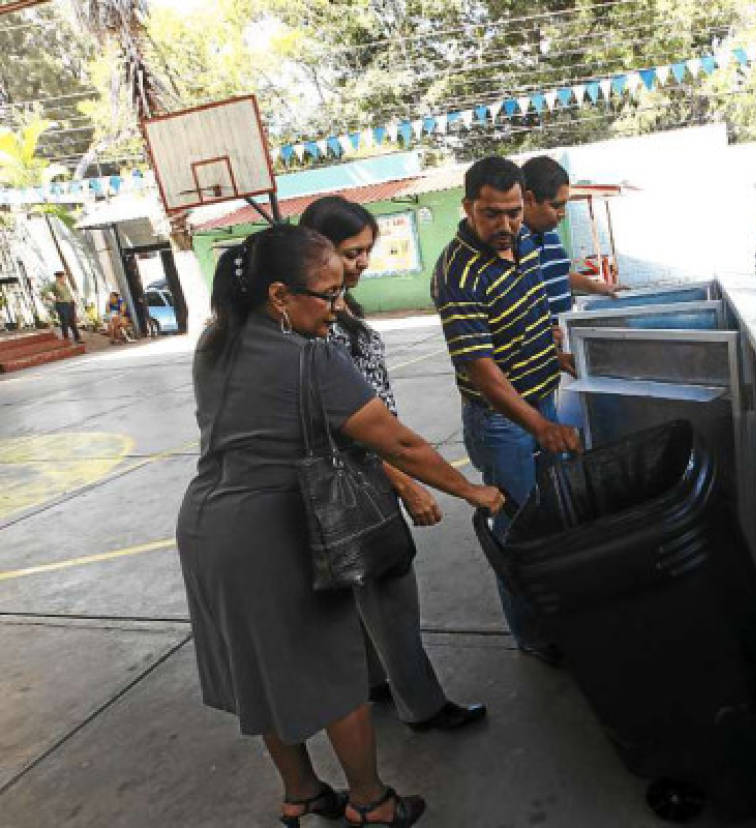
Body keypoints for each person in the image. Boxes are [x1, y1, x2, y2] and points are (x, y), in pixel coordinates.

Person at [175, 224, 503, 827]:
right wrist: (471, 489)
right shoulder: (312, 357)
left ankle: (300, 792)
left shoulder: (215, 342)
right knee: (337, 669)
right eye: (326, 294)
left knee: (262, 670)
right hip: (274, 531)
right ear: (279, 296)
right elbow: (398, 441)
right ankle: (371, 802)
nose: (338, 306)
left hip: (205, 528)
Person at [298, 195, 487, 732]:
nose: (361, 264)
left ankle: (377, 681)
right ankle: (422, 705)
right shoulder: (319, 327)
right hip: (363, 472)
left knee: (362, 589)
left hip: (365, 468)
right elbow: (357, 429)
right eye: (351, 253)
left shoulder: (335, 309)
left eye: (366, 252)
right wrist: (409, 485)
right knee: (390, 590)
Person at [431, 156, 581, 665]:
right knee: (520, 532)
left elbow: (535, 311)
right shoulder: (457, 273)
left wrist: (555, 354)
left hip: (541, 399)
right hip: (503, 425)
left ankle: (561, 615)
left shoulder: (525, 245)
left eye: (514, 213)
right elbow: (483, 372)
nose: (506, 226)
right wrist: (540, 427)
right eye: (492, 214)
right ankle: (533, 635)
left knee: (557, 516)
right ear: (468, 207)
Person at [519, 155, 622, 324]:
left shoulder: (550, 234)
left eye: (564, 205)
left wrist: (599, 288)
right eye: (556, 206)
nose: (563, 214)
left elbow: (560, 274)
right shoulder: (513, 246)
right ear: (529, 199)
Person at [47, 271, 82, 344]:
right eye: (63, 277)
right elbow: (43, 291)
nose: (65, 278)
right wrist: (53, 299)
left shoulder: (64, 284)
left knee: (72, 321)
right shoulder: (53, 284)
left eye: (65, 277)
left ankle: (77, 338)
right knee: (64, 322)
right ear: (58, 277)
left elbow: (68, 294)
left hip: (70, 304)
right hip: (62, 305)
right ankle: (66, 339)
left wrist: (73, 301)